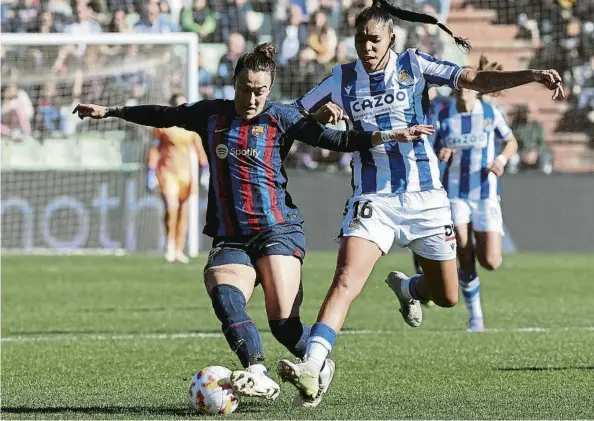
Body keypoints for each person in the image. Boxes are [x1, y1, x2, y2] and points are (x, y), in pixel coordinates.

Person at [73, 42, 433, 405]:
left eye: (260, 91)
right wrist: (110, 111)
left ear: (270, 89)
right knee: (223, 293)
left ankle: (317, 363)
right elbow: (164, 114)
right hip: (231, 236)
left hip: (277, 230)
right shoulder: (210, 115)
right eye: (246, 89)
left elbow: (338, 140)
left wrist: (389, 134)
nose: (252, 98)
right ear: (234, 84)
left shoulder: (281, 117)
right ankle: (257, 372)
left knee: (284, 325)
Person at [277, 0, 564, 406]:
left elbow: (474, 80)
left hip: (427, 199)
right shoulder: (340, 78)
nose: (366, 47)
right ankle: (315, 363)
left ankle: (409, 287)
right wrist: (319, 119)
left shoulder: (414, 64)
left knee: (447, 296)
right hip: (372, 197)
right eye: (360, 40)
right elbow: (290, 117)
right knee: (346, 279)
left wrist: (530, 76)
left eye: (374, 39)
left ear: (391, 38)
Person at [435, 57, 518, 332]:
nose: (463, 90)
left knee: (491, 261)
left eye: (468, 86)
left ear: (476, 90)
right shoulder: (444, 115)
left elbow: (510, 141)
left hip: (484, 193)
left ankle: (476, 294)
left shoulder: (490, 114)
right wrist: (441, 153)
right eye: (459, 87)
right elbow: (432, 149)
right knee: (462, 248)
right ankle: (476, 316)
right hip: (455, 193)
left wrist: (501, 161)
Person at [145, 93, 209, 263]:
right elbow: (154, 149)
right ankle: (169, 245)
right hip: (168, 172)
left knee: (183, 210)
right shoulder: (162, 127)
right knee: (171, 207)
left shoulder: (191, 127)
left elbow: (199, 149)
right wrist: (150, 171)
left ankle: (179, 249)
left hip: (186, 174)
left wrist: (206, 170)